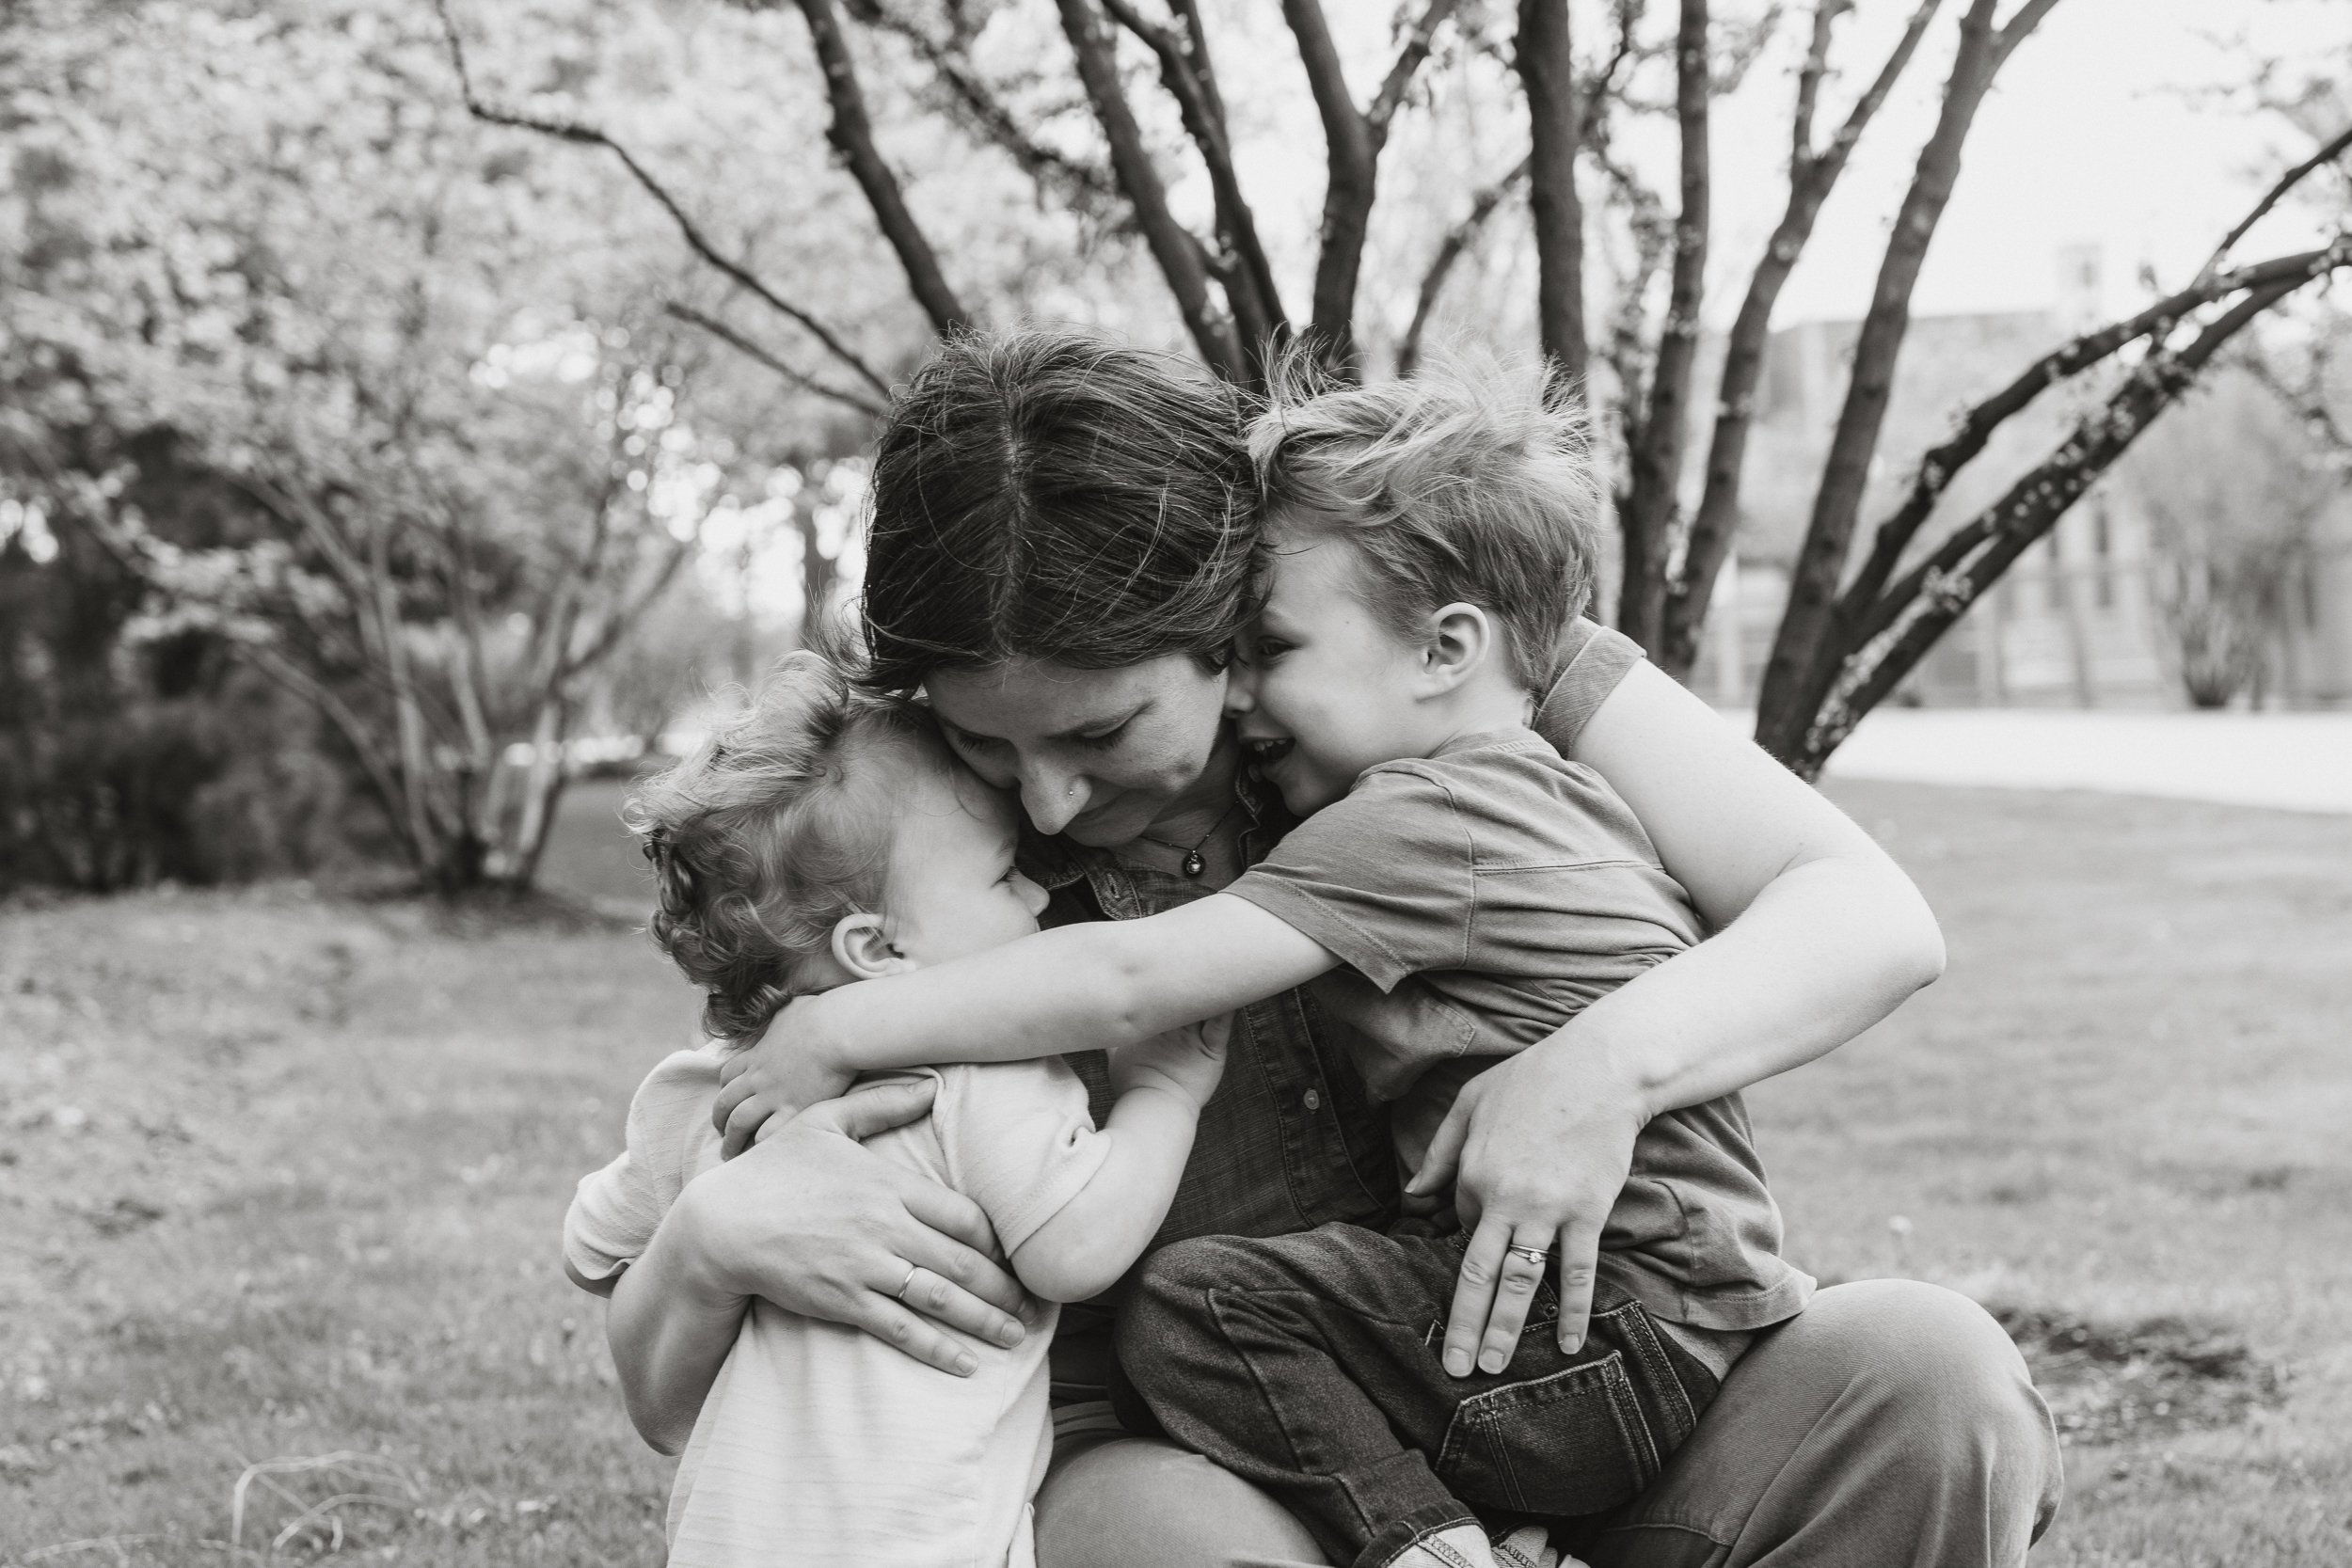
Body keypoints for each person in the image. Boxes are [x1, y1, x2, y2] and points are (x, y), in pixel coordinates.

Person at [591, 327, 2065, 1567]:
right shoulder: (938, 863)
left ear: (1236, 633)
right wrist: (714, 1233)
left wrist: (1599, 1068)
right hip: (1235, 1463)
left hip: (1602, 1380)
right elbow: (692, 1347)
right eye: (992, 746)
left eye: (1104, 732)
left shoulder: (1461, 683)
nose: (1046, 800)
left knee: (1929, 1379)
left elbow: (1868, 913)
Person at [564, 652, 1227, 1566]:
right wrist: (1164, 1094)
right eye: (1004, 876)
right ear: (878, 947)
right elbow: (1076, 1242)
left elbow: (593, 1243)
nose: (1037, 892)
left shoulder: (703, 1085)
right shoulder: (979, 1079)